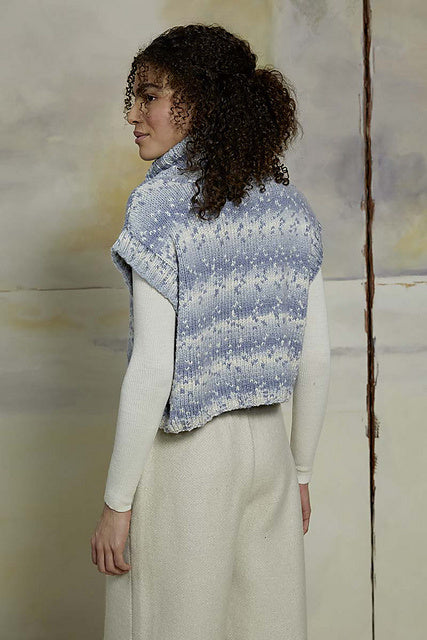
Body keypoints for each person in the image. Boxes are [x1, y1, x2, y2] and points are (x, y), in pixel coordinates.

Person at [91, 24, 330, 640]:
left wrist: (117, 504)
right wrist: (301, 473)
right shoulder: (288, 206)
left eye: (148, 97)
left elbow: (153, 368)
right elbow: (316, 359)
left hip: (187, 462)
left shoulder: (160, 206)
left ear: (195, 103)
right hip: (270, 454)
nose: (133, 115)